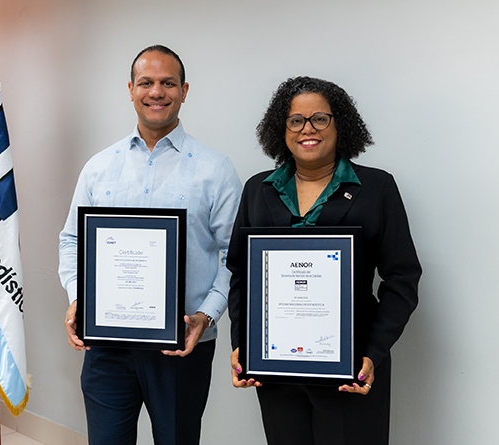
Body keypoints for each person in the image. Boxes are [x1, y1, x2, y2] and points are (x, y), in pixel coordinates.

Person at [58, 45, 242, 445]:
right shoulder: (99, 167)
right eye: (146, 82)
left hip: (181, 345)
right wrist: (78, 297)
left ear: (184, 91)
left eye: (168, 83)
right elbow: (72, 239)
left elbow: (236, 257)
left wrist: (206, 316)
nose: (156, 92)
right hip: (106, 346)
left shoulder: (215, 170)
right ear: (130, 89)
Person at [227, 76, 421, 445]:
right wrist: (243, 344)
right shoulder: (258, 189)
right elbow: (240, 273)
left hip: (351, 368)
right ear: (281, 129)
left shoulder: (376, 188)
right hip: (276, 368)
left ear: (339, 123)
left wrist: (372, 353)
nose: (307, 129)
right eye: (295, 120)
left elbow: (402, 279)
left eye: (320, 118)